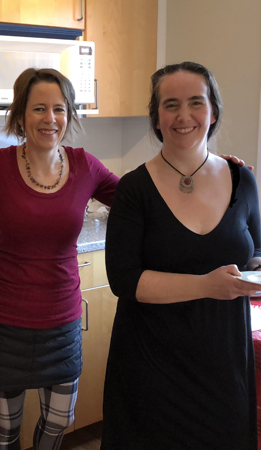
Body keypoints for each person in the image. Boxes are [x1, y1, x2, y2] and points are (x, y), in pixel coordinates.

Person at [102, 61, 260, 449]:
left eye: (196, 102)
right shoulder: (134, 188)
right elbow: (124, 279)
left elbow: (256, 254)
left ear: (214, 110)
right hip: (151, 364)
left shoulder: (243, 179)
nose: (184, 115)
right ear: (156, 118)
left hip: (225, 362)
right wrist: (206, 285)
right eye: (170, 105)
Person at [0, 68, 120, 450]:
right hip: (5, 321)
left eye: (59, 109)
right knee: (6, 430)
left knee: (58, 423)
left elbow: (138, 200)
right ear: (20, 115)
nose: (50, 119)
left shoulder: (85, 165)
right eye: (39, 108)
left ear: (69, 114)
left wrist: (204, 174)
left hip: (62, 320)